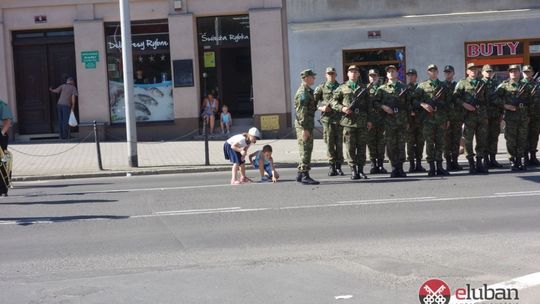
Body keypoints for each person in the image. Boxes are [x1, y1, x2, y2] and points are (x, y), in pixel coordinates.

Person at [331, 65, 371, 180]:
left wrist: (369, 120)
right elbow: (333, 101)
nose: (353, 73)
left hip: (362, 121)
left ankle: (361, 170)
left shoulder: (364, 88)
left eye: (355, 72)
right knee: (350, 147)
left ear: (358, 74)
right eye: (351, 72)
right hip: (348, 122)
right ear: (347, 74)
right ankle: (353, 170)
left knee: (362, 147)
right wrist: (342, 108)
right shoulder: (342, 87)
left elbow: (369, 106)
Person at [374, 65, 410, 177]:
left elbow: (409, 105)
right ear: (386, 74)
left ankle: (400, 167)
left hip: (401, 121)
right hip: (388, 122)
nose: (391, 73)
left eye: (393, 71)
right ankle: (394, 167)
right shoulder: (382, 89)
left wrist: (408, 120)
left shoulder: (403, 87)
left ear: (397, 73)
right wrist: (384, 107)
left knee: (401, 145)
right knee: (390, 145)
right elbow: (374, 103)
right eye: (388, 71)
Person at [415, 64, 451, 176]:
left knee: (440, 143)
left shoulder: (443, 85)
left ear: (438, 72)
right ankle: (431, 167)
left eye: (435, 70)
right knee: (430, 144)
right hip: (427, 120)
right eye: (431, 71)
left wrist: (448, 118)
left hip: (440, 118)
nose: (433, 72)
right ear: (428, 72)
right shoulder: (422, 86)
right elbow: (414, 100)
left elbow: (449, 103)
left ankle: (439, 167)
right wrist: (423, 104)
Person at [454, 63, 489, 174]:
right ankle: (471, 164)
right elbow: (455, 97)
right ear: (467, 71)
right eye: (471, 69)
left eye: (475, 69)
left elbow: (488, 100)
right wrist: (464, 104)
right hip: (468, 116)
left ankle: (479, 163)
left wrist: (486, 115)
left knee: (482, 140)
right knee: (468, 141)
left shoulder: (482, 83)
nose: (473, 71)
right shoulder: (462, 83)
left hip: (481, 116)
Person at [496, 65, 532, 171]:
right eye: (511, 71)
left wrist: (529, 115)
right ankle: (512, 160)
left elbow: (530, 101)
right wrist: (505, 105)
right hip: (510, 117)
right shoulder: (504, 85)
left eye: (515, 71)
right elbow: (494, 98)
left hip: (523, 116)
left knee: (522, 139)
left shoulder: (525, 85)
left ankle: (520, 159)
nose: (513, 73)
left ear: (519, 73)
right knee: (510, 140)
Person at [315, 66, 343, 176]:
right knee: (330, 144)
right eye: (329, 74)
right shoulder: (321, 87)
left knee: (339, 143)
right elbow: (314, 102)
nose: (331, 75)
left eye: (333, 74)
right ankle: (332, 166)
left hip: (340, 119)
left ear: (336, 75)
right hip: (327, 120)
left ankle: (339, 166)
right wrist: (321, 107)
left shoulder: (341, 87)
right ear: (326, 75)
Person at [295, 69, 319, 185]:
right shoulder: (303, 92)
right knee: (305, 149)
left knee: (306, 148)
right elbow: (302, 112)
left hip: (307, 124)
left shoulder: (308, 91)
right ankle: (305, 175)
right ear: (305, 78)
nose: (314, 78)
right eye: (312, 77)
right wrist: (304, 129)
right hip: (304, 125)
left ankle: (300, 174)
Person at [482, 64, 503, 169]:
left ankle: (493, 159)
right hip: (484, 115)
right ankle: (485, 160)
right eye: (486, 71)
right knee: (484, 137)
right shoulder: (479, 83)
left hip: (495, 115)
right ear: (482, 72)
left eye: (490, 71)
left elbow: (501, 98)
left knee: (494, 137)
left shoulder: (496, 83)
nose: (488, 73)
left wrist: (501, 113)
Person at [405, 68, 426, 173]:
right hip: (410, 120)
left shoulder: (421, 88)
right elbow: (404, 104)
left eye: (412, 75)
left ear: (416, 76)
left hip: (420, 119)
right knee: (410, 143)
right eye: (409, 75)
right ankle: (411, 164)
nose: (410, 76)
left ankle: (419, 164)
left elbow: (424, 101)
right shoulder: (405, 88)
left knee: (420, 142)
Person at [442, 65, 463, 171]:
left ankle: (455, 161)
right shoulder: (441, 86)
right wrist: (445, 118)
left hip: (457, 118)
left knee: (455, 140)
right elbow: (442, 104)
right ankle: (448, 163)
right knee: (446, 141)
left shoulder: (458, 85)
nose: (448, 74)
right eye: (446, 72)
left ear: (453, 73)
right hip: (446, 118)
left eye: (449, 72)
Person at [367, 69, 387, 174]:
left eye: (375, 75)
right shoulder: (365, 89)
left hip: (381, 120)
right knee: (371, 143)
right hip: (370, 120)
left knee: (381, 143)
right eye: (371, 76)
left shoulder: (383, 89)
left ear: (378, 76)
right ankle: (373, 164)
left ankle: (380, 165)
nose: (373, 77)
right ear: (368, 77)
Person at [522, 65, 540, 166]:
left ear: (532, 73)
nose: (527, 73)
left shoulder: (537, 84)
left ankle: (533, 156)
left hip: (536, 115)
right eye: (525, 72)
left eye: (529, 72)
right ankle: (525, 157)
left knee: (534, 136)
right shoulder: (520, 84)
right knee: (524, 136)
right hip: (524, 115)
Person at [0, 99, 13, 197]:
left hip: (0, 134)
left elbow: (8, 121)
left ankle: (3, 188)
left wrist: (1, 133)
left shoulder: (2, 105)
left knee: (2, 162)